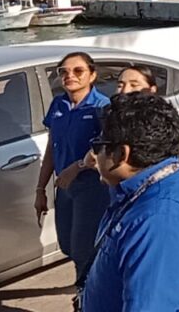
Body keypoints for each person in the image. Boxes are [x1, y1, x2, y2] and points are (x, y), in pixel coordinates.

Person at [80, 93, 179, 312]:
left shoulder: (161, 221)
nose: (93, 155)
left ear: (122, 154)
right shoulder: (147, 186)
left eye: (98, 145)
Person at [34, 52, 111, 277]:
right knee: (67, 244)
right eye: (64, 72)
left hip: (92, 187)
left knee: (83, 250)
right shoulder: (58, 104)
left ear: (92, 75)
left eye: (78, 71)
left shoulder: (101, 107)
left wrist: (77, 167)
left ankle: (86, 291)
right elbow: (52, 147)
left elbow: (105, 149)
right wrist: (40, 188)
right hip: (65, 187)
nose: (70, 76)